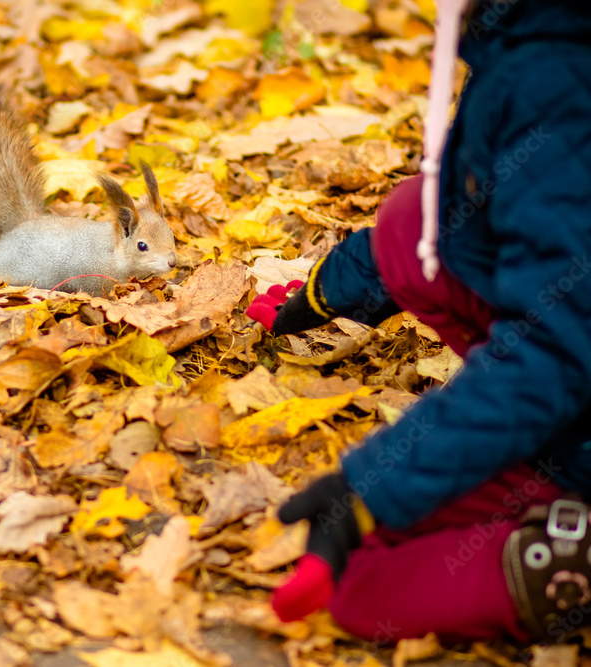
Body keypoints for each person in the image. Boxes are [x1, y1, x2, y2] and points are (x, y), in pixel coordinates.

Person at [246, 0, 591, 643]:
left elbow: (560, 347)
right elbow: (472, 209)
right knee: (410, 222)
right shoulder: (530, 31)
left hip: (569, 386)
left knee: (366, 592)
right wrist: (351, 277)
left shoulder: (557, 74)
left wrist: (374, 491)